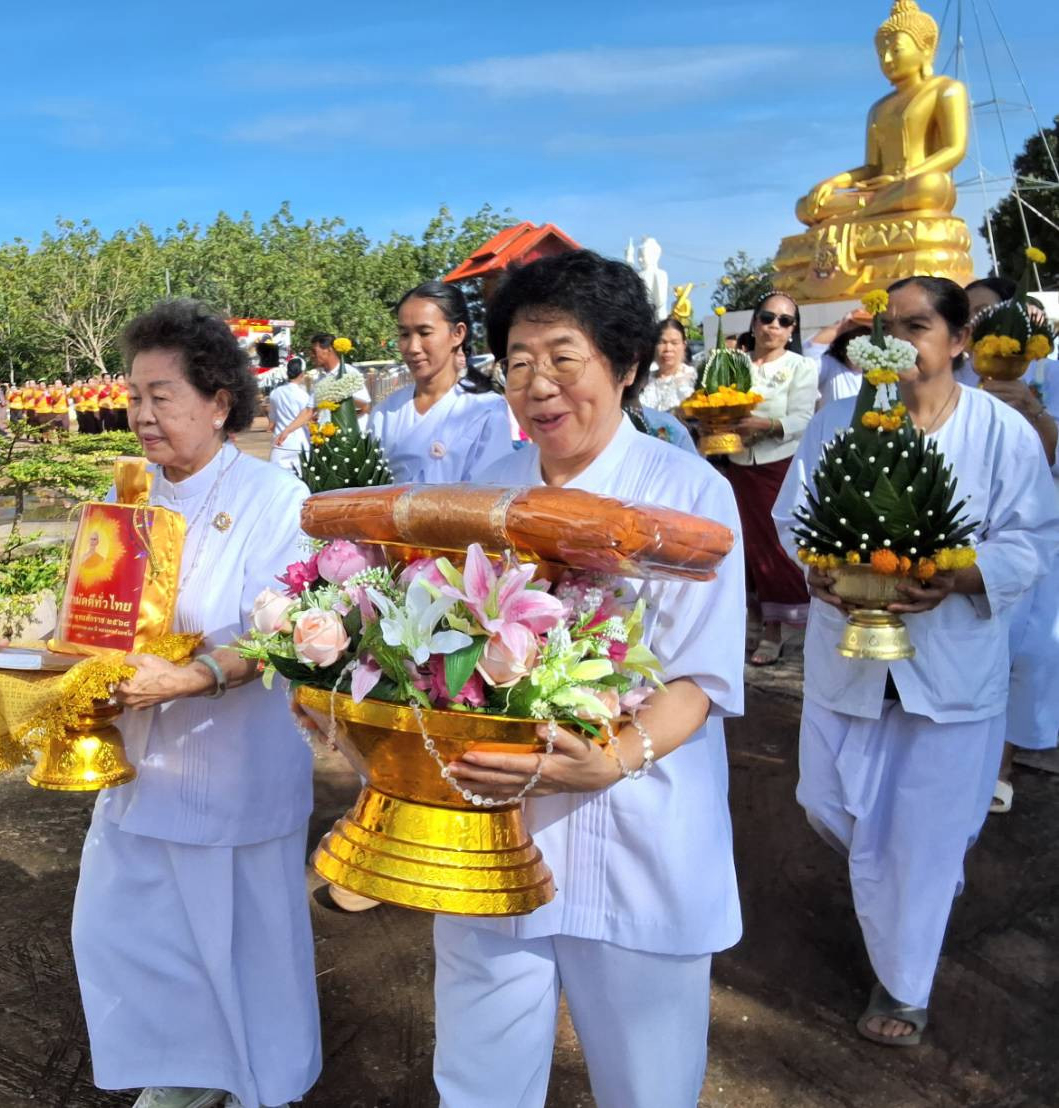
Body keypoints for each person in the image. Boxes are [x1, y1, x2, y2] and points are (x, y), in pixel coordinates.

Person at [432, 251, 745, 1108]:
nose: (538, 385)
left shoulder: (687, 494)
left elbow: (701, 676)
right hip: (498, 832)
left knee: (647, 1084)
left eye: (563, 358)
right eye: (519, 362)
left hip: (637, 822)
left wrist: (615, 757)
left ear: (626, 364)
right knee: (478, 1076)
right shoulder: (481, 494)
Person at [772, 276, 1059, 1047]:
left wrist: (959, 577)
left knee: (920, 839)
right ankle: (900, 897)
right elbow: (790, 517)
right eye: (884, 327)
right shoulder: (835, 422)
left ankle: (901, 986)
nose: (895, 342)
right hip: (851, 661)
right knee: (826, 802)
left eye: (916, 325)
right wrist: (817, 571)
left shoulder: (998, 432)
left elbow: (1033, 539)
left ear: (958, 340)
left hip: (950, 666)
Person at [71, 300, 320, 1108]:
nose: (142, 414)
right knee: (132, 934)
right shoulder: (128, 501)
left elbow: (280, 626)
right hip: (140, 763)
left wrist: (193, 676)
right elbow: (90, 616)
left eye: (162, 395)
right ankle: (182, 1075)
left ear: (219, 401)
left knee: (242, 946)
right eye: (134, 395)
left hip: (231, 765)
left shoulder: (274, 498)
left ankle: (258, 1086)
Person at [961, 276, 1059, 813]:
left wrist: (1033, 412)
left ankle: (1003, 763)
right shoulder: (951, 379)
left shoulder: (1046, 371)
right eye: (968, 316)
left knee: (1033, 652)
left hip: (1034, 533)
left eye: (987, 314)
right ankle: (971, 758)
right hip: (967, 537)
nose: (978, 325)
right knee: (980, 645)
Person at [723, 291, 819, 665]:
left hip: (777, 464)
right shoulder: (734, 363)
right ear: (754, 321)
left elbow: (804, 419)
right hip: (736, 465)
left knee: (775, 549)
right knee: (740, 548)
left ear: (793, 330)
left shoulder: (800, 367)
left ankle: (776, 631)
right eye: (767, 317)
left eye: (784, 321)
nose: (774, 326)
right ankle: (751, 623)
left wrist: (769, 425)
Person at [360, 281, 514, 484]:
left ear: (457, 333)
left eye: (424, 333)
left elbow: (492, 492)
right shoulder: (386, 412)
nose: (413, 347)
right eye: (404, 334)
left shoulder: (486, 409)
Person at [310, 332, 369, 425]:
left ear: (329, 350)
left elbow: (365, 407)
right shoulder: (320, 377)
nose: (312, 356)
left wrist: (338, 397)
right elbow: (312, 409)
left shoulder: (348, 373)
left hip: (346, 435)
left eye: (314, 352)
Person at [640, 318, 697, 412]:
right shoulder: (643, 380)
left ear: (684, 345)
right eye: (662, 342)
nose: (668, 349)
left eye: (674, 343)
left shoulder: (694, 378)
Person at [267, 359, 311, 473]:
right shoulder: (304, 396)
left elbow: (272, 423)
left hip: (280, 444)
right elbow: (308, 417)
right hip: (301, 443)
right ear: (302, 374)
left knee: (277, 482)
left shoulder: (275, 393)